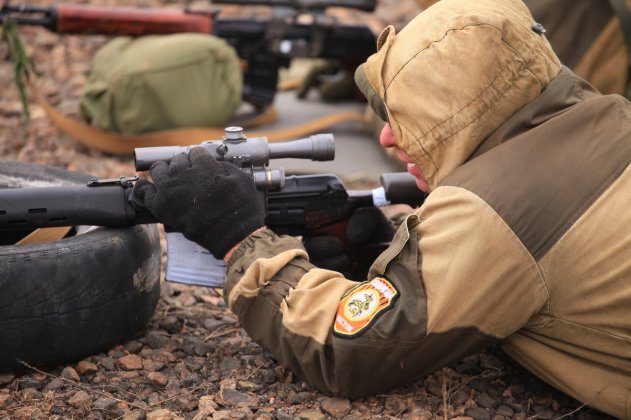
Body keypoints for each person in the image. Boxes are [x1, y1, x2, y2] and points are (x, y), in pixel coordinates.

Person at [133, 0, 631, 417]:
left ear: (463, 110)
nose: (389, 137)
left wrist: (239, 236)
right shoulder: (609, 115)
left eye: (412, 115)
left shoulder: (491, 211)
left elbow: (348, 350)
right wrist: (391, 252)